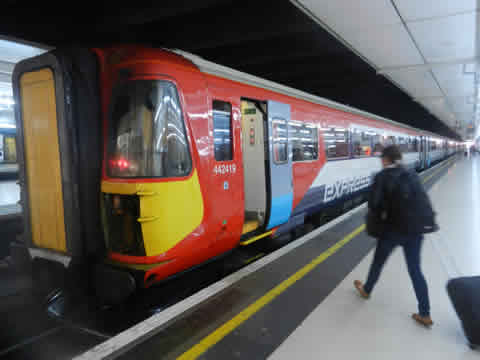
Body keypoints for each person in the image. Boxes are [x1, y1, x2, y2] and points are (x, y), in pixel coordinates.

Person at [354, 145, 435, 327]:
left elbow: (374, 205)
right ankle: (425, 314)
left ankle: (367, 290)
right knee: (415, 270)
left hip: (392, 230)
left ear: (385, 160)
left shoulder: (382, 177)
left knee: (378, 262)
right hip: (415, 230)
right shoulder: (411, 173)